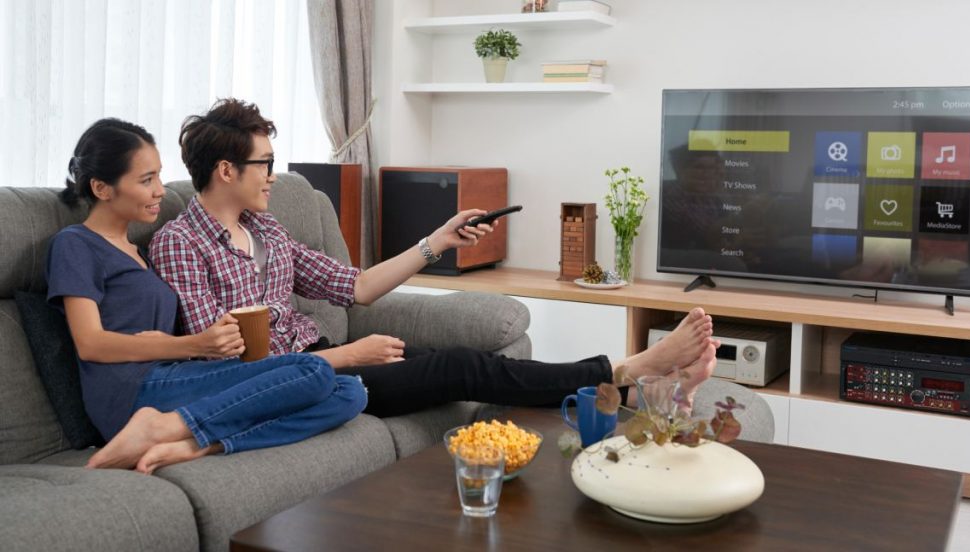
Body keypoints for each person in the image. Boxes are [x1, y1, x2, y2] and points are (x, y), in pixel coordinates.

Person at [52, 115, 716, 476]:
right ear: (226, 170)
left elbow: (358, 285)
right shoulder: (175, 244)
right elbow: (227, 364)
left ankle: (625, 387)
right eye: (263, 166)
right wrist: (345, 356)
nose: (274, 178)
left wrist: (437, 241)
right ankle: (624, 374)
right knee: (461, 367)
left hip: (325, 357)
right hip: (280, 372)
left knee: (448, 358)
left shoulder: (270, 229)